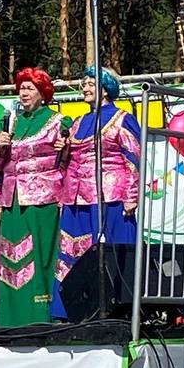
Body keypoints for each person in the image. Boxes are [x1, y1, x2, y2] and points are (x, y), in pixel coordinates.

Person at [51, 67, 141, 321]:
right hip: (75, 196)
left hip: (109, 195)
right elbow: (67, 162)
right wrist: (63, 150)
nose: (85, 88)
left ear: (105, 89)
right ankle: (70, 309)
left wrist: (131, 195)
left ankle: (113, 309)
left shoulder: (122, 118)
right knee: (73, 248)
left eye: (91, 84)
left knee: (106, 248)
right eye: (83, 84)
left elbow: (134, 158)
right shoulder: (77, 122)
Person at [0, 67, 69, 326]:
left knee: (40, 253)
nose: (24, 93)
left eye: (30, 88)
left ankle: (40, 315)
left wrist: (65, 149)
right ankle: (11, 316)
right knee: (11, 254)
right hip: (12, 198)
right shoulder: (9, 122)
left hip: (43, 197)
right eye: (21, 88)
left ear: (43, 92)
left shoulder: (58, 121)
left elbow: (68, 161)